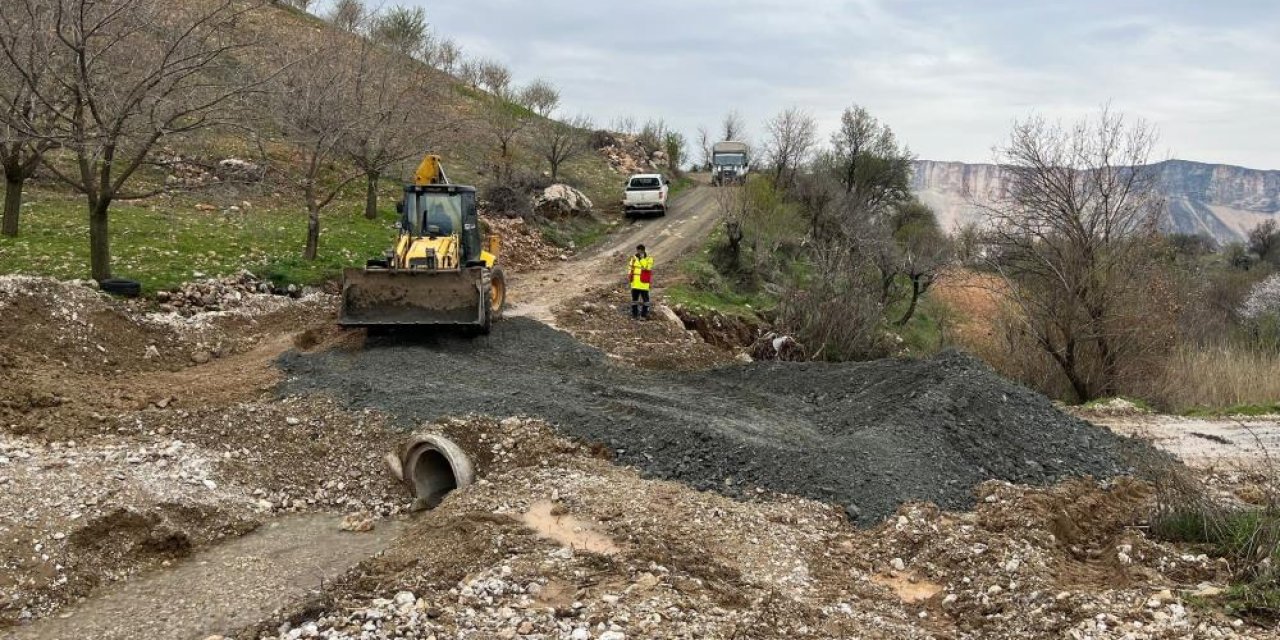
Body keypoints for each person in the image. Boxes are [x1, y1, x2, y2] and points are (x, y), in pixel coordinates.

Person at [627, 244, 654, 319]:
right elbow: (630, 267)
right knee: (634, 300)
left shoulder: (649, 258)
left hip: (644, 283)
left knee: (646, 301)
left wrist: (642, 259)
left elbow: (647, 267)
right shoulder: (633, 258)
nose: (639, 252)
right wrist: (629, 276)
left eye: (640, 251)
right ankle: (635, 315)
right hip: (635, 283)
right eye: (638, 251)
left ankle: (643, 315)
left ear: (643, 250)